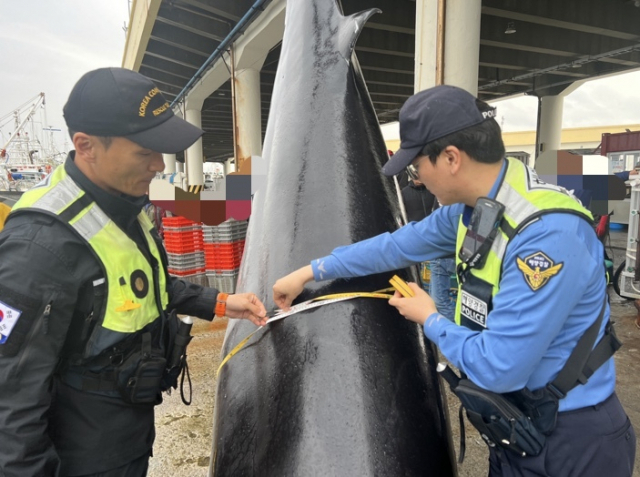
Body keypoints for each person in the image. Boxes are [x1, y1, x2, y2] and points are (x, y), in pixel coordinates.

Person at [273, 85, 635, 476]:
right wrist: (310, 271)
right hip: (517, 429)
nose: (418, 179)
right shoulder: (473, 211)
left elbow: (500, 367)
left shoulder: (546, 237)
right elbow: (396, 246)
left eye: (416, 167)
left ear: (450, 158)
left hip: (572, 440)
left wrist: (431, 318)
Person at [0, 67, 268, 477]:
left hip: (126, 430)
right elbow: (9, 402)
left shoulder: (124, 202)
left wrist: (218, 301)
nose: (159, 165)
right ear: (86, 146)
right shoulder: (40, 248)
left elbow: (145, 283)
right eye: (145, 152)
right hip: (82, 456)